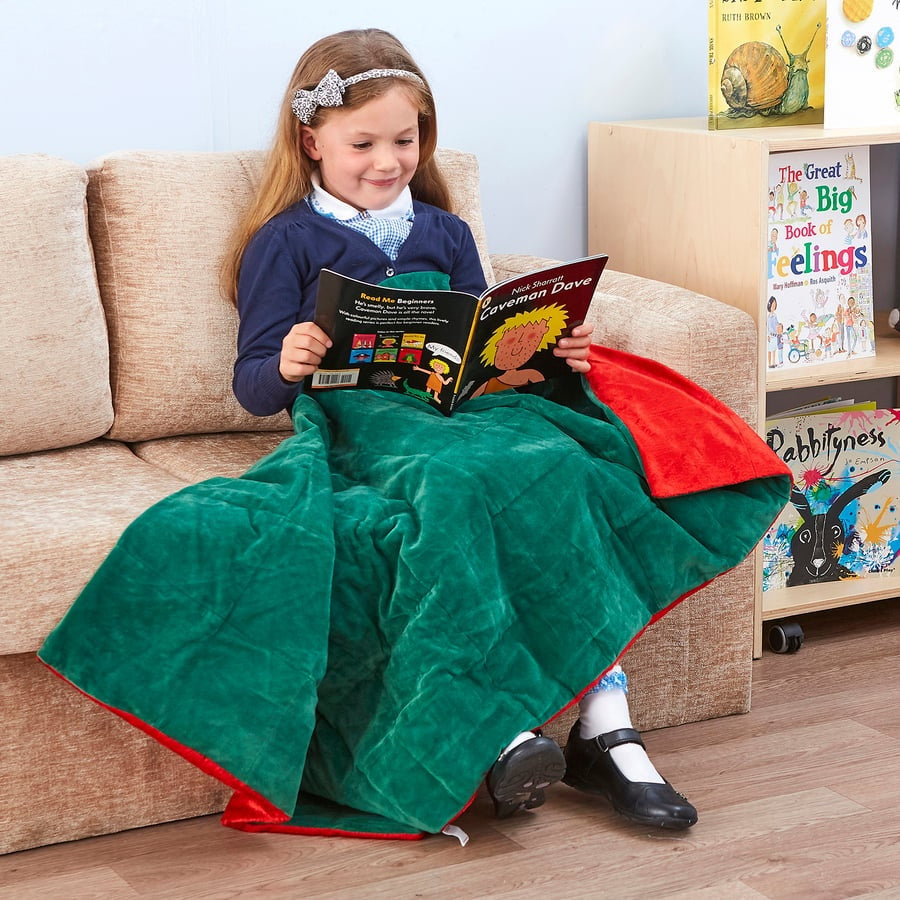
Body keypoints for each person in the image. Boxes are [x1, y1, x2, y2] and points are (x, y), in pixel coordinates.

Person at [225, 28, 696, 830]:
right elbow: (252, 386)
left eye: (404, 141)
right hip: (362, 425)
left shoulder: (444, 231)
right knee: (451, 490)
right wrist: (290, 360)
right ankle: (497, 722)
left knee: (563, 464)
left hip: (459, 412)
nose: (387, 162)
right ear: (311, 141)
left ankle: (605, 723)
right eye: (363, 144)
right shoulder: (286, 241)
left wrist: (550, 350)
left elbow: (484, 348)